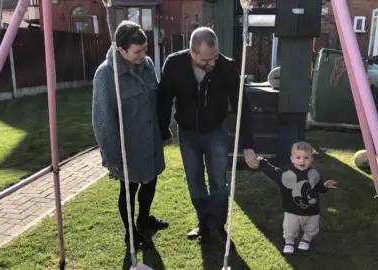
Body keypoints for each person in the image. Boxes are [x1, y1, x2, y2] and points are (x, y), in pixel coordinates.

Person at [157, 27, 258, 242]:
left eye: (215, 57)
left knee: (218, 180)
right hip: (188, 132)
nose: (212, 63)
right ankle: (203, 222)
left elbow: (242, 105)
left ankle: (218, 226)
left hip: (216, 131)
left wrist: (247, 144)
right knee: (195, 181)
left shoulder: (227, 66)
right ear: (191, 53)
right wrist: (163, 129)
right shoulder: (174, 65)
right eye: (205, 60)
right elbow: (164, 99)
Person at [92, 21, 168, 250]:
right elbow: (102, 120)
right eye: (138, 51)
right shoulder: (106, 75)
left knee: (151, 179)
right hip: (128, 145)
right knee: (129, 189)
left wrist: (162, 132)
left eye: (145, 49)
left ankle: (144, 218)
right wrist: (113, 157)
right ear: (121, 50)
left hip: (150, 140)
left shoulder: (147, 65)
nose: (143, 55)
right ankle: (130, 233)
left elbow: (154, 100)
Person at [256, 141, 337, 254]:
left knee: (312, 228)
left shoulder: (314, 173)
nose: (302, 160)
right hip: (291, 210)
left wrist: (325, 186)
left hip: (312, 210)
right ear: (292, 159)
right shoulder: (286, 174)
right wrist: (263, 163)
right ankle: (289, 241)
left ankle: (306, 239)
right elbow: (273, 172)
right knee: (290, 227)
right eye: (298, 157)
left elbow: (318, 188)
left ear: (311, 159)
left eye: (306, 157)